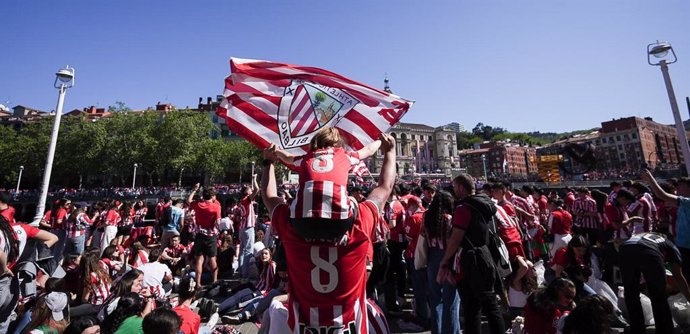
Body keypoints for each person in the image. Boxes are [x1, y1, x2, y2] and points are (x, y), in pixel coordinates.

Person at [260, 133, 396, 333]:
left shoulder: (290, 225)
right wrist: (389, 153)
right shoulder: (359, 223)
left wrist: (268, 163)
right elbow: (384, 188)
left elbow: (269, 196)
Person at [268, 127, 382, 242]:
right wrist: (380, 140)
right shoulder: (345, 155)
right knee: (352, 199)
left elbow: (288, 158)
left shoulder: (307, 157)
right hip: (339, 223)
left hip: (301, 223)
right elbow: (368, 150)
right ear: (337, 142)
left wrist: (277, 151)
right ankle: (348, 238)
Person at [437, 173, 506, 334]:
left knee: (472, 306)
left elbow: (456, 238)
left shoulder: (463, 208)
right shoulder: (485, 204)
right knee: (489, 305)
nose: (453, 191)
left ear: (461, 187)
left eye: (454, 187)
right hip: (485, 255)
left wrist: (445, 261)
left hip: (470, 260)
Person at [619, 232, 690, 334]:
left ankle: (637, 330)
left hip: (625, 248)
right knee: (658, 296)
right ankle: (664, 330)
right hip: (648, 251)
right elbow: (678, 275)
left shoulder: (642, 235)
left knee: (631, 294)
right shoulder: (671, 245)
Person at [641, 169, 690, 280]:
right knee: (682, 274)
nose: (677, 188)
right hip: (680, 245)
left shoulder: (687, 202)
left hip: (687, 247)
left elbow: (662, 195)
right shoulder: (682, 203)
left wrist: (650, 179)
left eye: (681, 185)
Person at [422, 190, 460, 334]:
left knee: (435, 297)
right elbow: (454, 241)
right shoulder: (450, 219)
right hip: (448, 257)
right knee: (451, 298)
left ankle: (436, 329)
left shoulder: (426, 216)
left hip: (432, 257)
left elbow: (422, 235)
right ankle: (451, 330)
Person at [187, 184, 221, 287]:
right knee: (212, 258)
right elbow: (218, 222)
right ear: (211, 196)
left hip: (199, 234)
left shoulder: (198, 205)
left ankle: (198, 283)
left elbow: (189, 201)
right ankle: (214, 281)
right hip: (211, 235)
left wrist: (194, 189)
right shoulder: (216, 207)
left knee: (199, 259)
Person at [236, 175, 259, 278]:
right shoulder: (247, 200)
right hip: (248, 227)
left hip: (242, 227)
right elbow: (257, 189)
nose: (251, 190)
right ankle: (245, 274)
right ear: (247, 192)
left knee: (242, 250)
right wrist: (254, 179)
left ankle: (240, 270)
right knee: (248, 251)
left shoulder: (241, 202)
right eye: (249, 189)